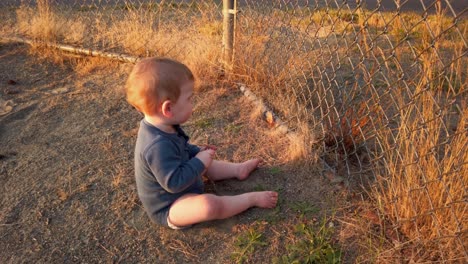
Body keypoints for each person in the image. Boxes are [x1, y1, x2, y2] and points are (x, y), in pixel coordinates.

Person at [125, 57, 278, 229]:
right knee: (209, 205)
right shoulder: (155, 146)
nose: (192, 104)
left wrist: (196, 152)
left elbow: (181, 149)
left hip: (184, 181)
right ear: (168, 109)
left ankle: (238, 169)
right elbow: (174, 183)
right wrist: (199, 161)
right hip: (172, 205)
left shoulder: (165, 126)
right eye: (189, 99)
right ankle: (251, 199)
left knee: (206, 163)